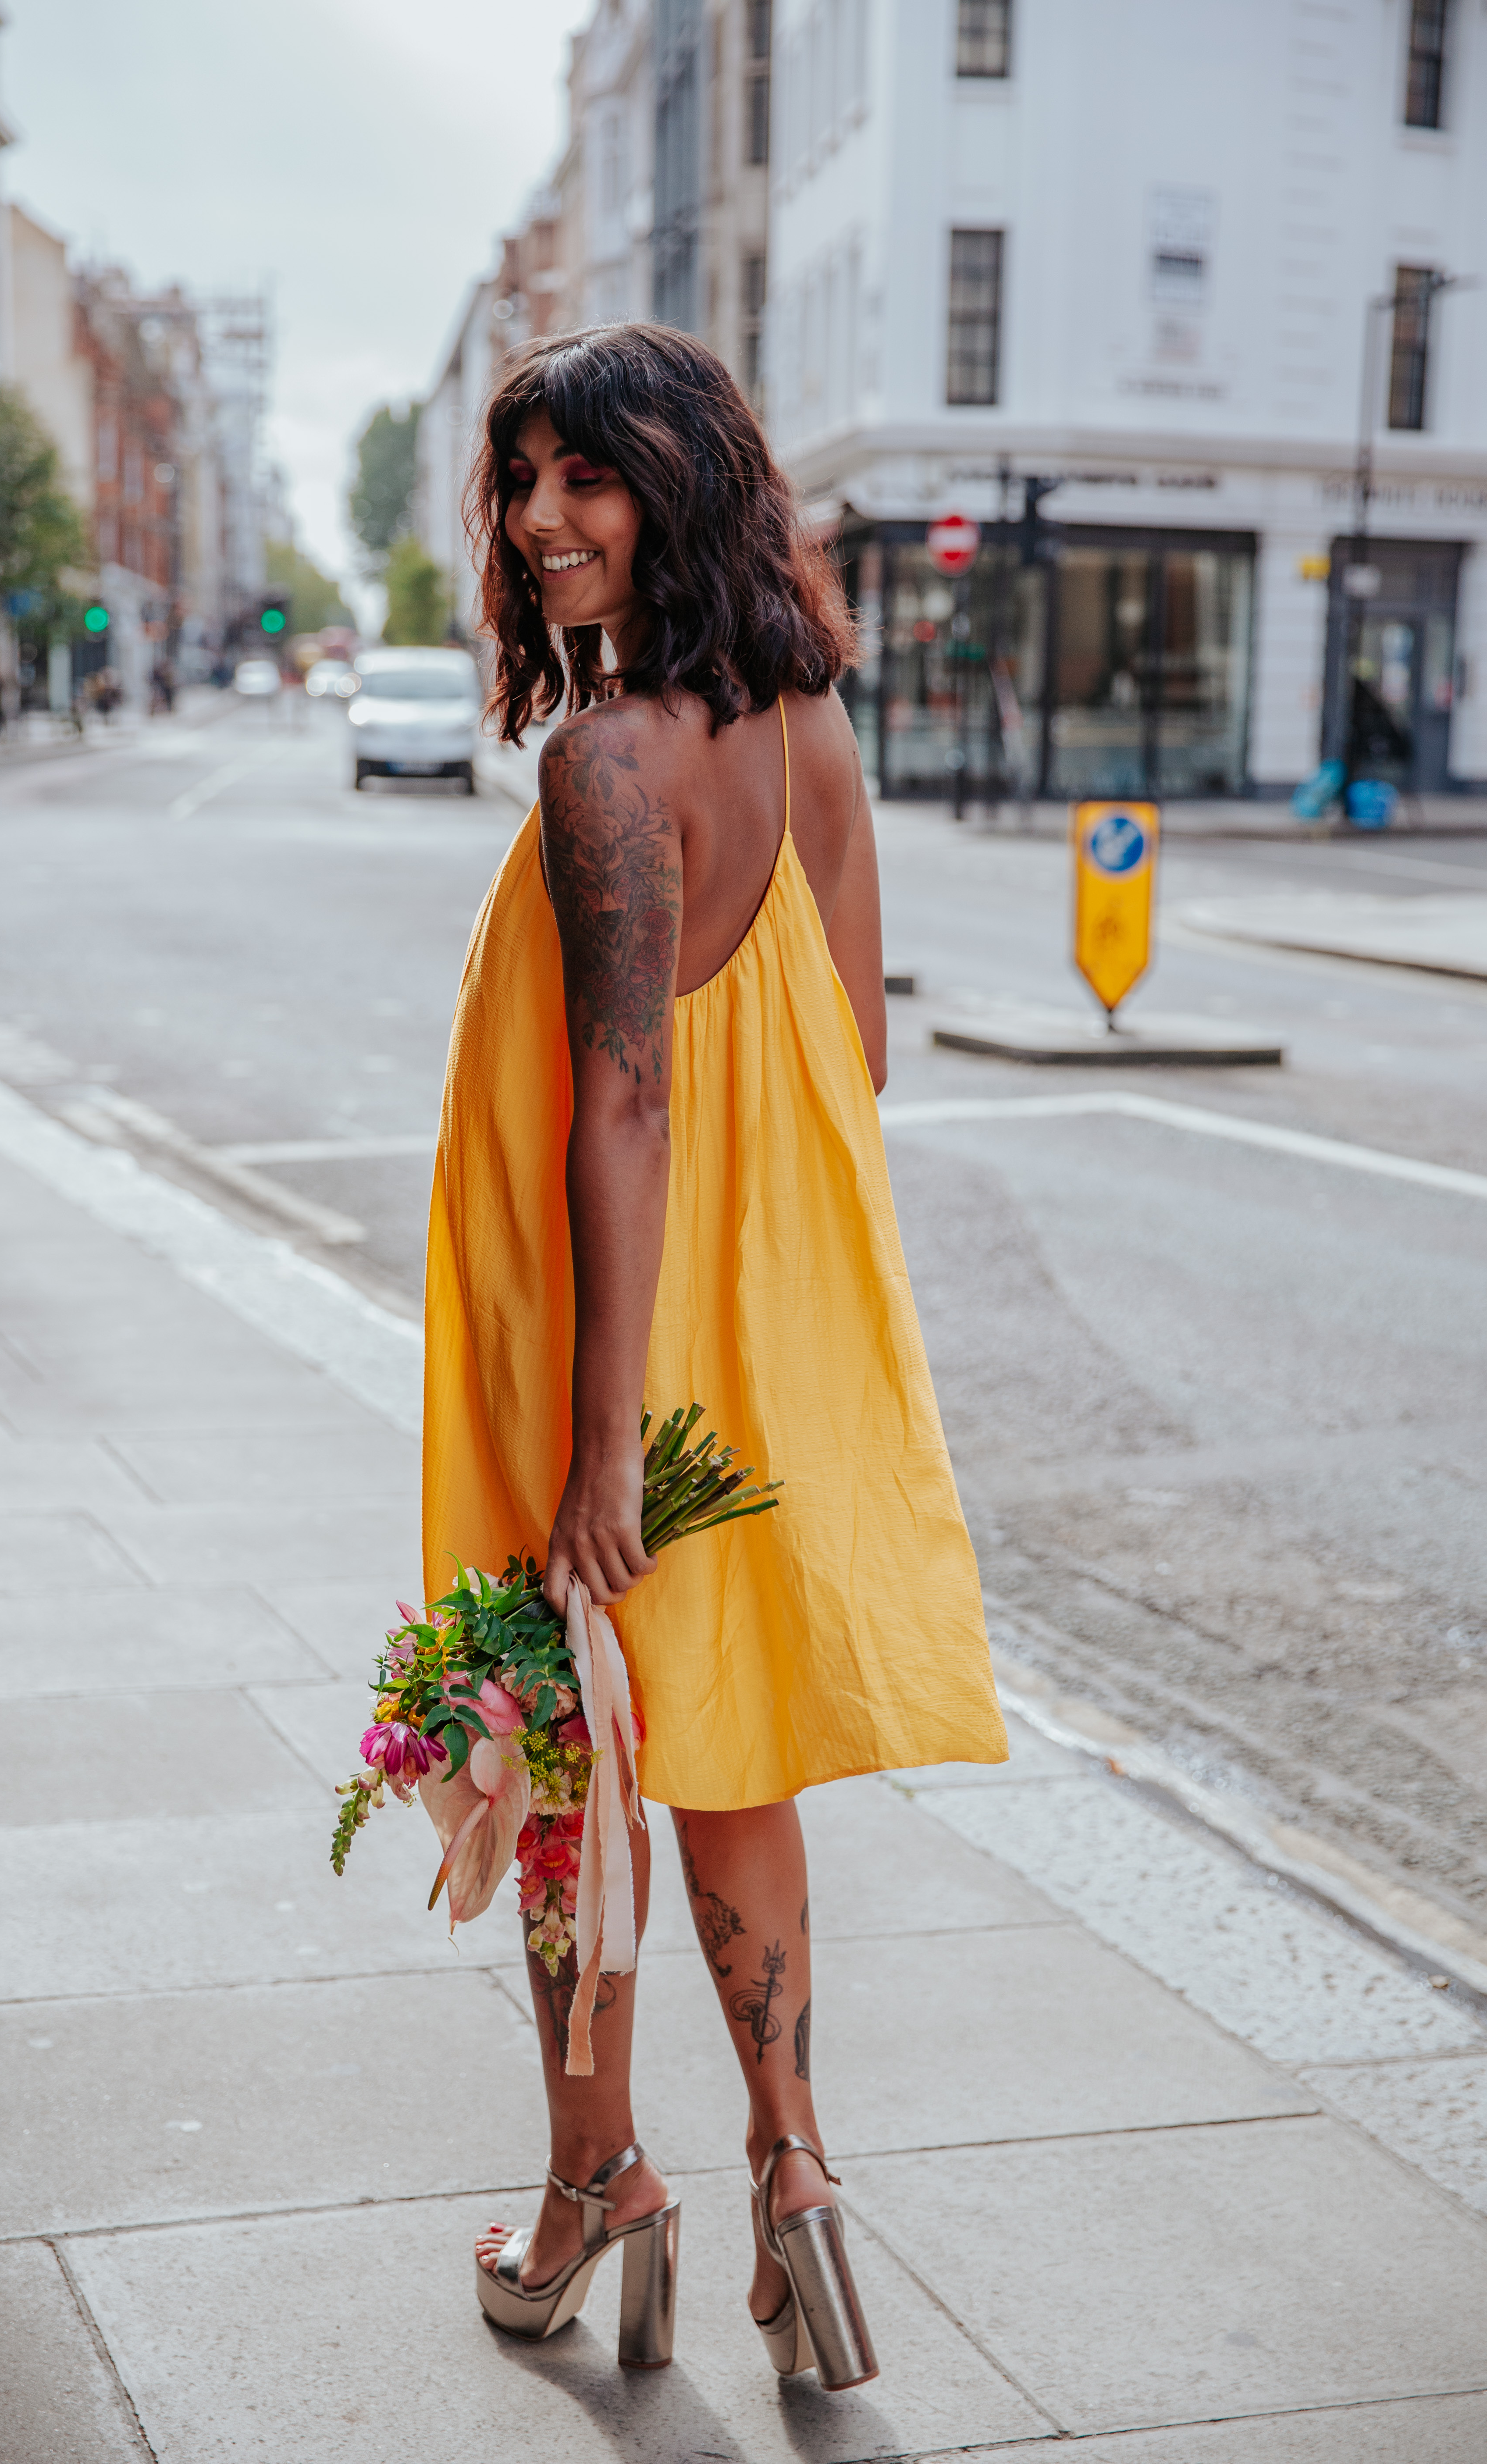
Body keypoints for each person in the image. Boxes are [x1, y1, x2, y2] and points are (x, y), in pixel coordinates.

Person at [424, 324, 1007, 2389]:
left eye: (585, 478)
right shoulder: (802, 727)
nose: (540, 522)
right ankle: (800, 2186)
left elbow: (626, 1105)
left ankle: (597, 2188)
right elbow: (850, 1062)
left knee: (563, 1746)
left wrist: (601, 1445)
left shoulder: (609, 763)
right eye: (520, 482)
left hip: (601, 1346)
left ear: (679, 482)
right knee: (734, 1752)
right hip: (750, 1334)